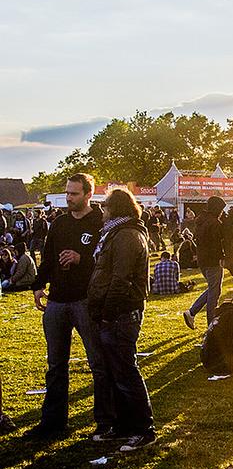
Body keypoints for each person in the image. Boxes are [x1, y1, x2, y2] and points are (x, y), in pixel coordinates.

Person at [28, 173, 112, 440]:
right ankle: (53, 422)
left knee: (98, 363)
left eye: (74, 194)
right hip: (58, 301)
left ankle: (105, 421)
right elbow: (49, 257)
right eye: (67, 193)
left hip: (86, 300)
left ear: (88, 194)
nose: (68, 198)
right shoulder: (60, 223)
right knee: (55, 365)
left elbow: (106, 261)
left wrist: (81, 258)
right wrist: (39, 284)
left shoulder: (100, 221)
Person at [86, 187, 155, 451]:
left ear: (114, 208)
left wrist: (107, 312)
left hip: (121, 312)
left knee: (126, 371)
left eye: (105, 207)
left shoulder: (126, 235)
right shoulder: (116, 233)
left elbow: (120, 279)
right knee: (116, 373)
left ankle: (143, 429)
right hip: (114, 311)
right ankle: (124, 426)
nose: (102, 212)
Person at [183, 196, 226, 330]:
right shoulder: (215, 223)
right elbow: (217, 244)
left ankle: (192, 312)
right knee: (214, 293)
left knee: (213, 288)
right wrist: (222, 256)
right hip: (213, 260)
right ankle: (210, 325)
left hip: (203, 260)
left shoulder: (200, 221)